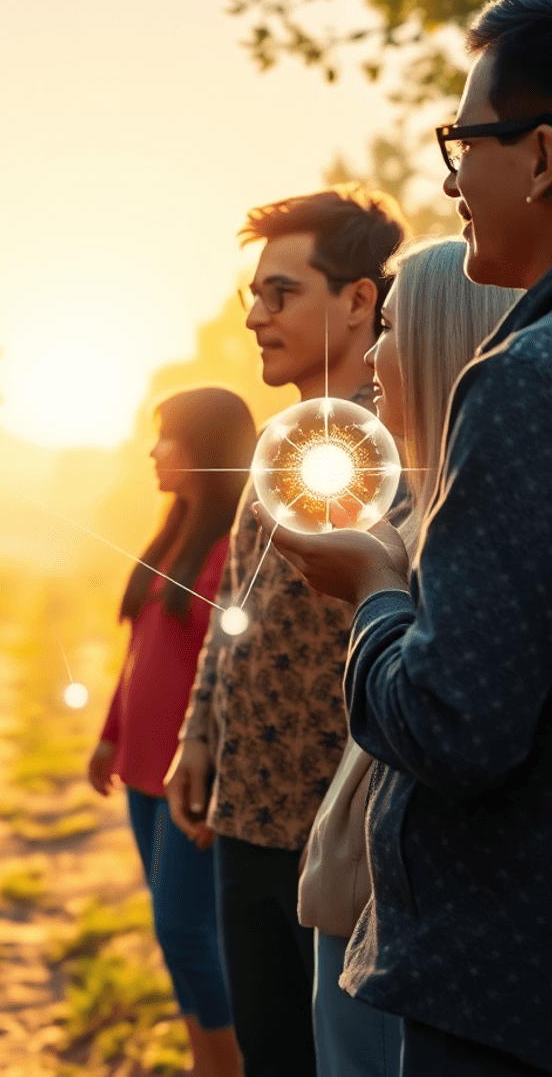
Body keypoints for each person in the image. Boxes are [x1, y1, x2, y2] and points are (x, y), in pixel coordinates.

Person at [263, 0, 552, 1076]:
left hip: (499, 991)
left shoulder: (520, 383)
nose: (449, 176)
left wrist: (381, 589)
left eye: (465, 138)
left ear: (541, 156)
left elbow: (452, 726)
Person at [163, 186, 406, 1077]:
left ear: (357, 301)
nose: (257, 318)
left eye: (282, 294)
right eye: (253, 296)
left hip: (344, 836)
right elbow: (238, 604)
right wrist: (199, 734)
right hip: (245, 813)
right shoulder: (274, 444)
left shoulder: (406, 440)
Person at [296, 237, 519, 1077]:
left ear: (439, 340)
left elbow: (444, 721)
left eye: (389, 328)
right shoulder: (409, 512)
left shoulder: (469, 534)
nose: (375, 352)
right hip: (364, 900)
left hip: (409, 919)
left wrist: (372, 592)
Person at [88, 387, 253, 1077]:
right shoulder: (174, 534)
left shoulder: (235, 546)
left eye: (168, 437)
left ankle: (228, 1065)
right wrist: (109, 733)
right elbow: (142, 655)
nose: (153, 451)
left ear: (206, 451)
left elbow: (231, 675)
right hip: (142, 768)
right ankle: (201, 1060)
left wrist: (214, 770)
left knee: (187, 932)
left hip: (190, 777)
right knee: (173, 929)